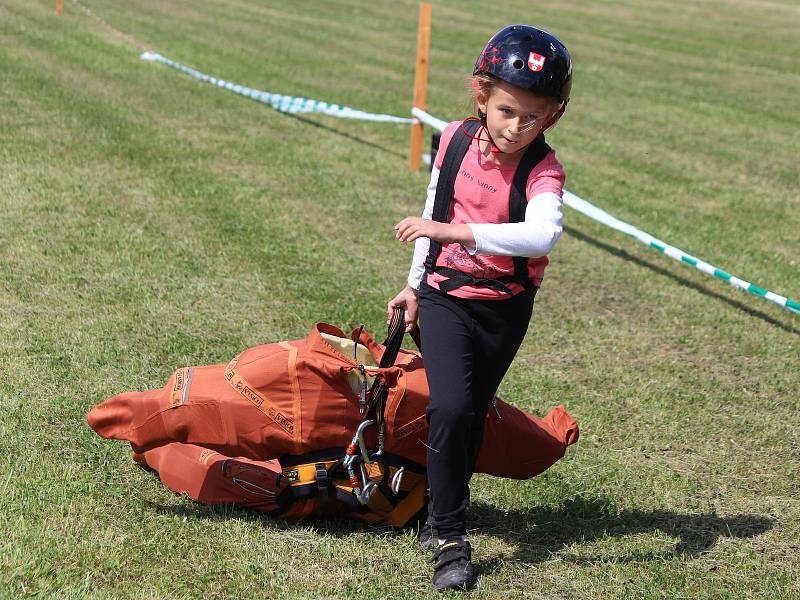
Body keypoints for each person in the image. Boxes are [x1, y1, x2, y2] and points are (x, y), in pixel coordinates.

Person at [387, 24, 573, 591]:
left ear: (552, 117)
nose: (518, 127)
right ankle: (449, 537)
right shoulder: (455, 140)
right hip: (445, 295)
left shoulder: (544, 171)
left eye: (533, 117)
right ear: (482, 95)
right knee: (451, 405)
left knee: (471, 413)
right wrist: (415, 286)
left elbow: (542, 235)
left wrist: (457, 231)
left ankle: (436, 502)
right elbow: (433, 206)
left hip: (505, 309)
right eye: (508, 110)